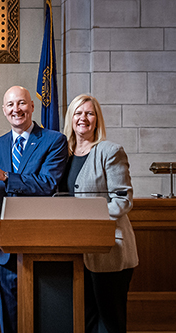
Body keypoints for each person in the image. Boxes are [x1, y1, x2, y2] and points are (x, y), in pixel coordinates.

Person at [0, 86, 68, 333]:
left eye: (21, 103)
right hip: (2, 246)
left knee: (42, 314)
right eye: (10, 105)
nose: (16, 110)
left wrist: (7, 176)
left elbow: (48, 184)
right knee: (8, 317)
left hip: (39, 241)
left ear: (32, 106)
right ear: (4, 110)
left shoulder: (54, 140)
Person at [60, 94, 138, 333]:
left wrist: (90, 216)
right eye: (78, 113)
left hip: (109, 250)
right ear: (70, 118)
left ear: (97, 119)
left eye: (89, 113)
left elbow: (123, 201)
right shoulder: (63, 155)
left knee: (109, 323)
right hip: (75, 251)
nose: (83, 118)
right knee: (84, 321)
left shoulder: (109, 151)